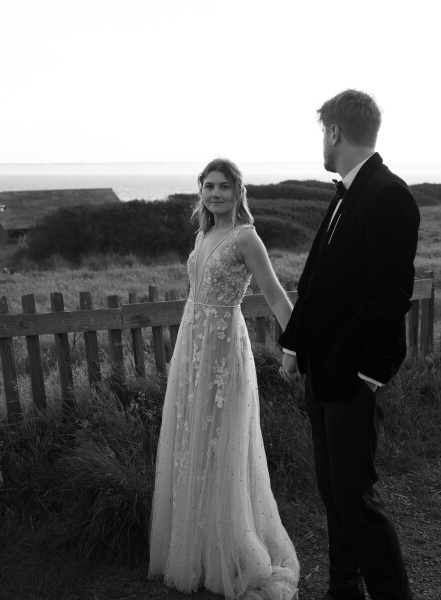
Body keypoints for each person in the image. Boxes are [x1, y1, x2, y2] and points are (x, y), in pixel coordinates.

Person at [279, 89, 420, 600]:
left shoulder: (387, 195)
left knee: (354, 497)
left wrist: (371, 374)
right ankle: (344, 589)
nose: (322, 141)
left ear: (335, 132)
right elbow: (318, 282)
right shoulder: (345, 193)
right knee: (333, 494)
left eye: (323, 131)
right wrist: (295, 348)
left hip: (353, 376)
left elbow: (392, 297)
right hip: (323, 368)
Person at [148, 158, 300, 600]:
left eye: (223, 187)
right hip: (191, 346)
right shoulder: (203, 235)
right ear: (201, 192)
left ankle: (232, 549)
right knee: (192, 439)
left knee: (222, 441)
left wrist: (296, 346)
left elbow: (274, 293)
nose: (214, 194)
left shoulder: (245, 237)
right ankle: (196, 550)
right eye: (208, 187)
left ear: (238, 192)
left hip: (222, 352)